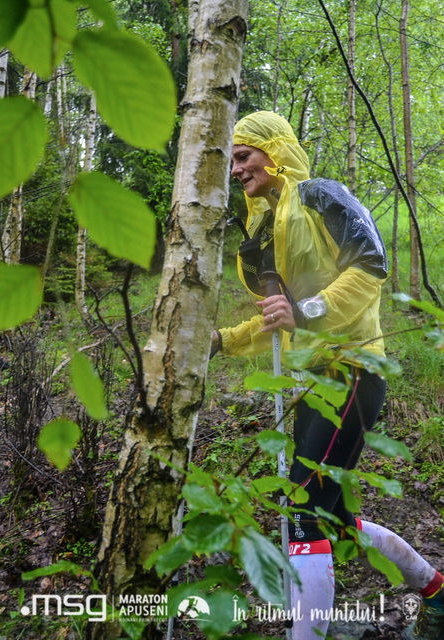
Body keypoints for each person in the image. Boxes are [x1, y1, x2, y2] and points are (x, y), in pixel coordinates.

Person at [211, 111, 444, 640]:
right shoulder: (263, 228)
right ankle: (436, 590)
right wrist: (224, 341)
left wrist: (307, 311)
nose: (236, 170)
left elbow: (369, 267)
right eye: (230, 162)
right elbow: (278, 319)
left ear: (275, 150)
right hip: (312, 382)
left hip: (353, 368)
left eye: (243, 156)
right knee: (330, 521)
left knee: (302, 512)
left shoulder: (321, 195)